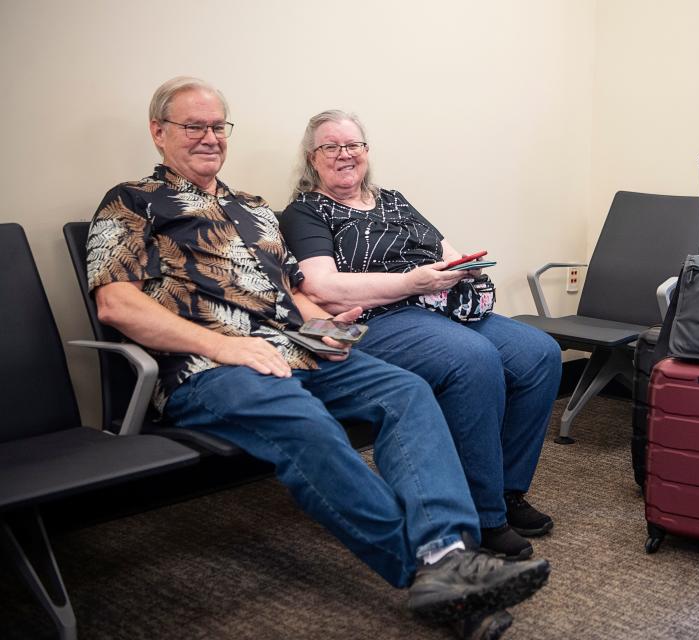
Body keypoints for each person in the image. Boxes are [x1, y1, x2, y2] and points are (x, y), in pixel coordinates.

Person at [86, 76, 548, 639]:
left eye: (217, 126)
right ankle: (435, 570)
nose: (209, 137)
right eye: (193, 126)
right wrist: (225, 345)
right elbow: (116, 303)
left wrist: (320, 323)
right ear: (159, 133)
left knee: (406, 391)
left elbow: (290, 291)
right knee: (308, 425)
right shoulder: (132, 201)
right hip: (210, 367)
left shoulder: (252, 208)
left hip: (298, 349)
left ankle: (447, 545)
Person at [279, 110, 563, 561]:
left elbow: (444, 252)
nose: (344, 154)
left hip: (437, 304)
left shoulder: (394, 200)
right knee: (472, 358)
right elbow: (320, 287)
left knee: (539, 353)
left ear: (367, 152)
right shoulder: (305, 212)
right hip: (379, 318)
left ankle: (508, 491)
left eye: (353, 145)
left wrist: (459, 270)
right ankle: (482, 516)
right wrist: (411, 283)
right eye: (330, 147)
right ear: (312, 159)